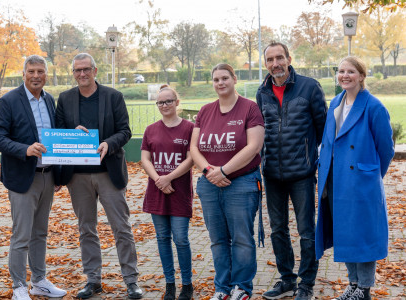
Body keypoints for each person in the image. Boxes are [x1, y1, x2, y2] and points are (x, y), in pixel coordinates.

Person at [55, 53, 142, 299]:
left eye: (86, 69)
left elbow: (125, 130)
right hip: (78, 176)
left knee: (122, 228)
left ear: (95, 70)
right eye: (77, 70)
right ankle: (93, 280)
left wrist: (108, 143)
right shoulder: (65, 99)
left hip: (108, 172)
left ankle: (131, 280)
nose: (82, 74)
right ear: (73, 73)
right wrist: (71, 132)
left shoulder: (113, 97)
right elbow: (58, 132)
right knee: (86, 229)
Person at [316, 56, 394, 300]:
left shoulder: (374, 106)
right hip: (335, 180)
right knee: (344, 233)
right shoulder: (336, 102)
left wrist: (370, 175)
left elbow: (386, 148)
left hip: (361, 183)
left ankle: (365, 288)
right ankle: (353, 283)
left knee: (363, 236)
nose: (345, 75)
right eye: (341, 71)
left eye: (350, 71)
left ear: (361, 75)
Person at [0, 55, 67, 300]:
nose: (36, 76)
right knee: (21, 234)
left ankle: (39, 281)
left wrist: (71, 137)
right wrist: (24, 149)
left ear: (46, 74)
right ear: (23, 73)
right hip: (23, 177)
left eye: (40, 71)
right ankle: (18, 287)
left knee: (40, 232)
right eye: (31, 71)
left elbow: (53, 135)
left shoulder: (49, 99)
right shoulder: (8, 101)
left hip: (47, 174)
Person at [256, 41, 327, 300]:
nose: (275, 64)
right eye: (270, 59)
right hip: (272, 174)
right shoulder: (261, 92)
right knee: (278, 230)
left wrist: (309, 155)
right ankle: (287, 280)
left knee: (307, 231)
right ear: (266, 64)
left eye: (279, 58)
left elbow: (323, 129)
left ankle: (306, 283)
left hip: (302, 175)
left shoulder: (309, 87)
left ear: (288, 58)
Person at [190, 63, 265, 300]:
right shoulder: (205, 111)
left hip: (242, 183)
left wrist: (224, 170)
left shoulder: (250, 108)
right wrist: (208, 170)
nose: (220, 83)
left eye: (225, 78)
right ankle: (222, 288)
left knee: (242, 238)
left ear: (234, 79)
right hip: (209, 184)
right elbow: (194, 147)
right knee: (218, 240)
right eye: (216, 79)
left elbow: (254, 146)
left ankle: (241, 288)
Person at [140, 85, 195, 300]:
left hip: (179, 191)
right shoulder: (150, 129)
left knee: (181, 239)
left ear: (177, 102)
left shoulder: (189, 128)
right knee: (162, 238)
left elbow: (191, 158)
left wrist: (169, 178)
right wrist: (159, 180)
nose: (164, 105)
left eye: (168, 101)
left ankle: (187, 285)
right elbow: (145, 159)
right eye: (160, 102)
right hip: (157, 191)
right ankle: (170, 284)